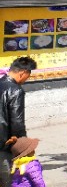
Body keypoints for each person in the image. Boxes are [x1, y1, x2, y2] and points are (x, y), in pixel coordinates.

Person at [0, 57, 36, 187]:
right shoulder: (15, 90)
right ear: (23, 73)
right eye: (28, 76)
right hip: (4, 146)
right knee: (8, 181)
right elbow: (17, 122)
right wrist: (23, 147)